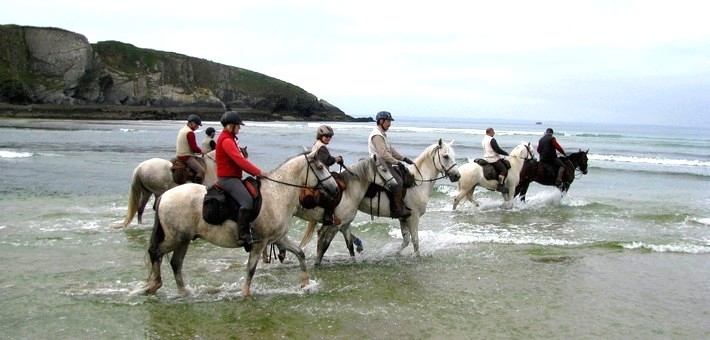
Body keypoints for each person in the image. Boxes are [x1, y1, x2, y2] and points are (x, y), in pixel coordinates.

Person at [215, 111, 268, 252]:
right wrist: (259, 172)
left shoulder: (231, 139)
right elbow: (240, 161)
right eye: (238, 126)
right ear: (230, 126)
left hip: (234, 177)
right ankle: (243, 234)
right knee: (247, 201)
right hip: (228, 179)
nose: (239, 128)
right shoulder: (226, 140)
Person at [368, 111, 414, 218]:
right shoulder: (377, 135)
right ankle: (397, 209)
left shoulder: (383, 134)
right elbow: (383, 154)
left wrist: (404, 158)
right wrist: (397, 162)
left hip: (385, 163)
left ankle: (401, 203)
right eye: (388, 121)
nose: (390, 124)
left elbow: (391, 150)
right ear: (381, 121)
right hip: (380, 164)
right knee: (398, 182)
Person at [312, 125, 344, 225]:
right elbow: (328, 160)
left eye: (330, 136)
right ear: (320, 136)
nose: (328, 138)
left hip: (318, 172)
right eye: (326, 136)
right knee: (334, 191)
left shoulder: (317, 144)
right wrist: (338, 159)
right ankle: (327, 216)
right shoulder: (321, 147)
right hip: (321, 174)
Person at [176, 114, 205, 184]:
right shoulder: (190, 132)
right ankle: (196, 187)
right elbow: (194, 148)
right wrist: (202, 151)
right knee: (201, 171)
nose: (198, 127)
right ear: (192, 123)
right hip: (186, 156)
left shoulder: (182, 129)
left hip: (179, 154)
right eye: (197, 125)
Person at [482, 127, 509, 193]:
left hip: (486, 158)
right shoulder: (492, 139)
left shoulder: (484, 139)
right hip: (493, 159)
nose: (494, 133)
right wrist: (506, 153)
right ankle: (500, 186)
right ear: (490, 132)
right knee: (504, 170)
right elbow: (497, 149)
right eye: (493, 132)